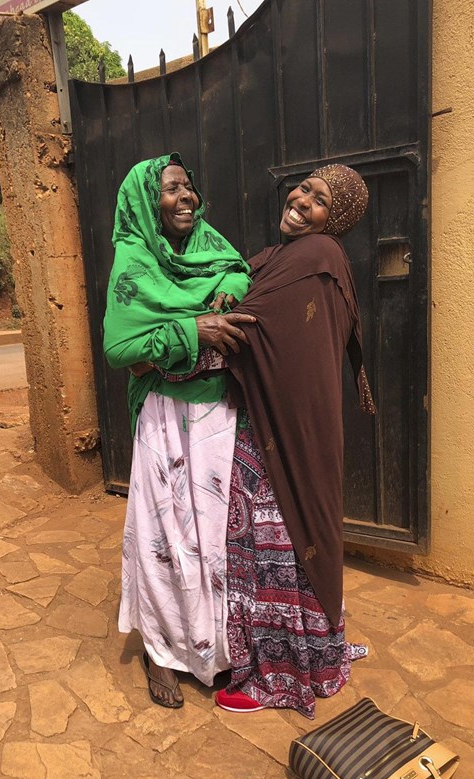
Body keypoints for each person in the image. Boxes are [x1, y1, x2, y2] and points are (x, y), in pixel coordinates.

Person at [214, 164, 376, 718]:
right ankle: (320, 655)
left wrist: (185, 330)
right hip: (277, 425)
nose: (303, 200)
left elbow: (247, 323)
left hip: (278, 433)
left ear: (337, 221)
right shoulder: (281, 257)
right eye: (305, 187)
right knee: (281, 546)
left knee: (278, 548)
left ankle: (283, 676)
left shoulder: (316, 257)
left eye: (321, 200)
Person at [103, 153, 254, 708]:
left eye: (188, 187)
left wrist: (230, 293)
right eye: (170, 190)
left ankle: (213, 650)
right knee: (165, 539)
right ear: (147, 202)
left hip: (219, 416)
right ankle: (161, 653)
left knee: (215, 540)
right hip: (166, 418)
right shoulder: (134, 261)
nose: (185, 197)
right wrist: (194, 328)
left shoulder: (210, 243)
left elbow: (239, 269)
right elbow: (122, 348)